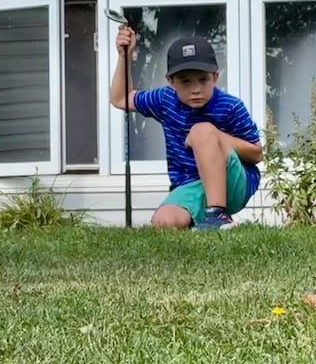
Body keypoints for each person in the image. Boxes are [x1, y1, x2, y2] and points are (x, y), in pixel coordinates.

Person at [110, 25, 263, 230]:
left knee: (202, 130)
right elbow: (121, 99)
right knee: (164, 222)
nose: (196, 89)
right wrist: (125, 57)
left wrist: (215, 137)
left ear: (215, 77)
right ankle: (200, 221)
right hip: (190, 184)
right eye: (185, 82)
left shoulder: (231, 106)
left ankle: (217, 214)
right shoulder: (165, 99)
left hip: (234, 183)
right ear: (171, 81)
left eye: (203, 80)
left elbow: (256, 154)